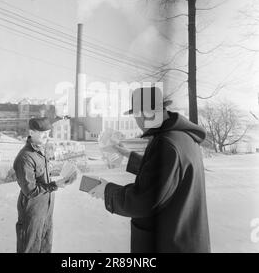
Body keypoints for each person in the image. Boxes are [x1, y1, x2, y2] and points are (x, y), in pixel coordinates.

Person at [89, 86, 211, 253]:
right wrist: (126, 153)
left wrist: (106, 191)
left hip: (168, 243)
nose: (138, 122)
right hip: (184, 240)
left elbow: (143, 201)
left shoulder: (166, 144)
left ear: (145, 112)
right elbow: (166, 175)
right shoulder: (182, 137)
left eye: (136, 116)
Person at [13, 117, 76, 253]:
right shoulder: (25, 157)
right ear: (31, 132)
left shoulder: (40, 151)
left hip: (46, 210)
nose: (47, 136)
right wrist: (55, 185)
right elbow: (30, 190)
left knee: (45, 247)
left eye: (48, 132)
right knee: (30, 248)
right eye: (43, 133)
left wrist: (63, 177)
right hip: (32, 213)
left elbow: (43, 177)